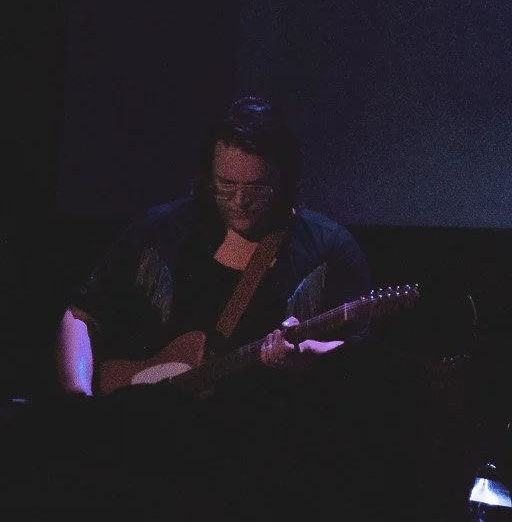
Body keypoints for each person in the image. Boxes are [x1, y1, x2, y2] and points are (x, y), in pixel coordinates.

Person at [58, 95, 371, 395]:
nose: (240, 200)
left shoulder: (328, 248)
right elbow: (81, 314)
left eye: (258, 187)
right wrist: (77, 397)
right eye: (226, 185)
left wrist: (309, 355)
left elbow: (359, 350)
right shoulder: (159, 231)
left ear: (284, 181)